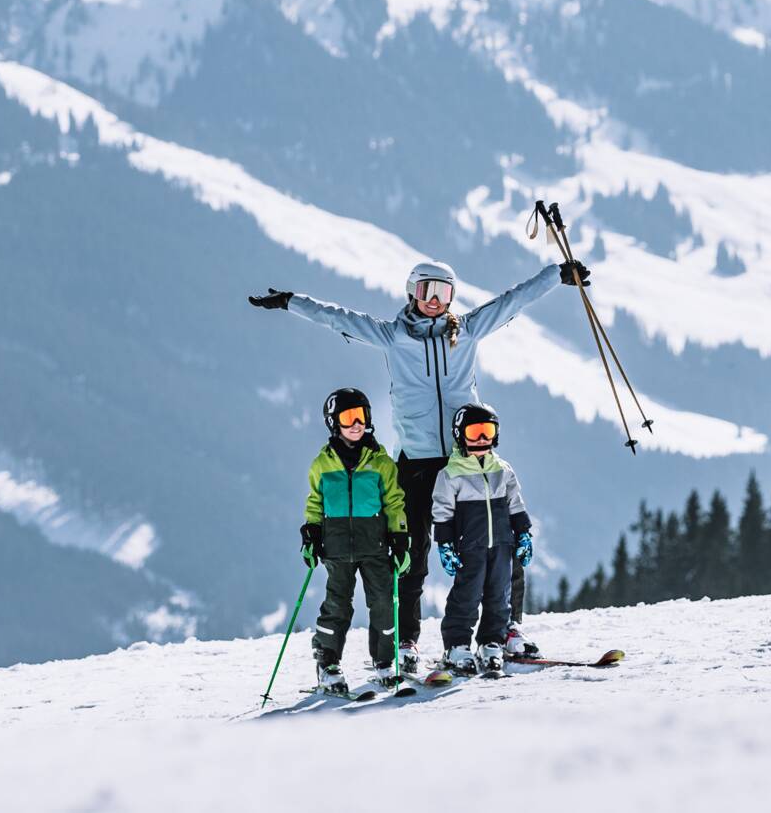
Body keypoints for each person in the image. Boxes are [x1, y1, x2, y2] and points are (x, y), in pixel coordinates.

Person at [251, 256, 587, 670]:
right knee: (410, 553)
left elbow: (512, 301)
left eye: (444, 293)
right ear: (412, 292)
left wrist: (557, 275)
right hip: (417, 464)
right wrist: (291, 301)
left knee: (498, 542)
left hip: (467, 460)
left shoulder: (467, 331)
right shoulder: (393, 337)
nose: (435, 300)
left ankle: (507, 628)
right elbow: (337, 318)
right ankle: (407, 640)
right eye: (428, 291)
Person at [300, 388, 410, 693]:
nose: (356, 424)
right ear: (333, 422)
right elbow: (314, 504)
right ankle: (328, 662)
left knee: (383, 603)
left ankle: (385, 662)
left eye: (361, 416)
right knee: (337, 605)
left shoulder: (380, 462)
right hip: (335, 548)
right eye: (349, 417)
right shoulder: (322, 465)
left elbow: (394, 502)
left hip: (374, 546)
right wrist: (311, 535)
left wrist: (399, 538)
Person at [428, 404, 533, 675]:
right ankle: (457, 645)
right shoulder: (450, 474)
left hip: (501, 544)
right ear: (460, 434)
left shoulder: (503, 469)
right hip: (470, 546)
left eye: (487, 431)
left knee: (500, 596)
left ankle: (491, 642)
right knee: (467, 596)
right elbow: (442, 513)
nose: (482, 439)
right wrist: (446, 545)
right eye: (475, 432)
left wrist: (523, 534)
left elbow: (516, 504)